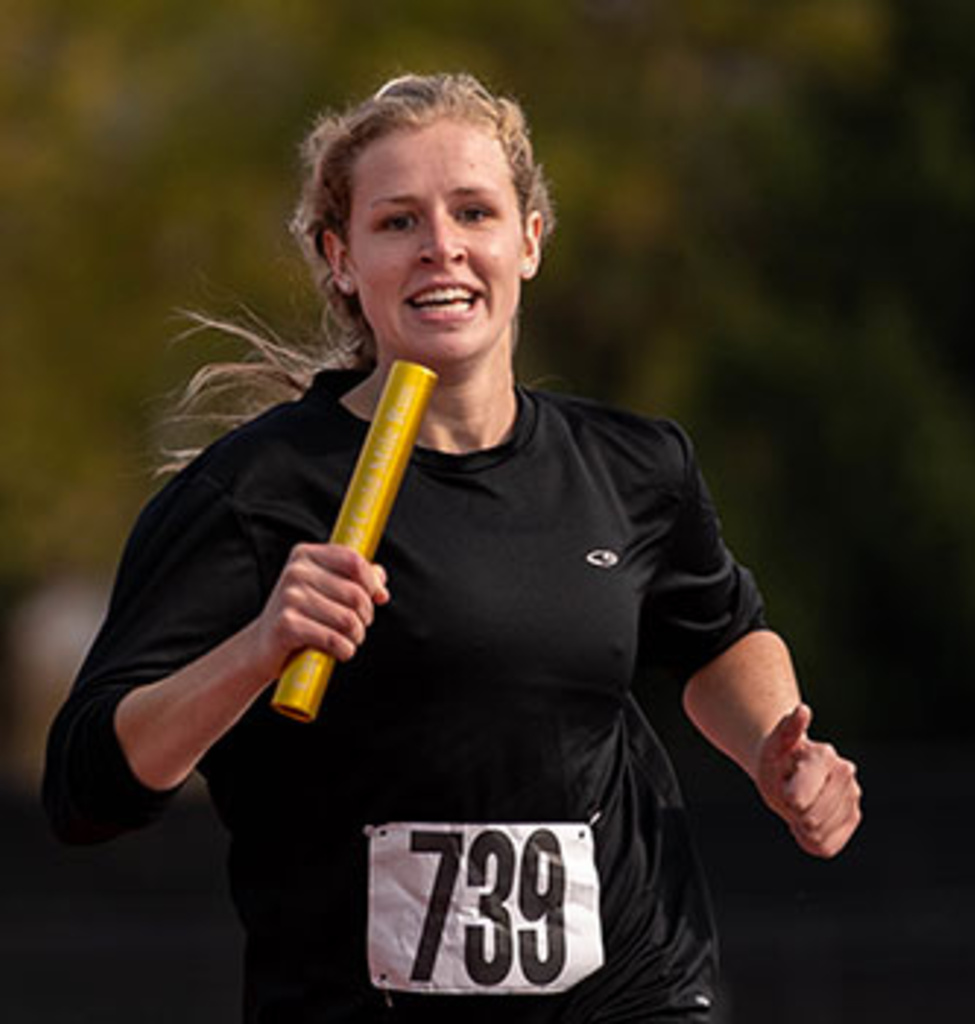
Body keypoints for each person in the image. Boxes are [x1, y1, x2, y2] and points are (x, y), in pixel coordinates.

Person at [43, 72, 862, 1023]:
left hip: (638, 988)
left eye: (474, 211)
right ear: (340, 257)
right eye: (398, 222)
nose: (442, 247)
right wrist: (257, 649)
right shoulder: (255, 494)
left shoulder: (637, 466)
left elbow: (721, 636)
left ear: (530, 241)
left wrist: (775, 745)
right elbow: (86, 787)